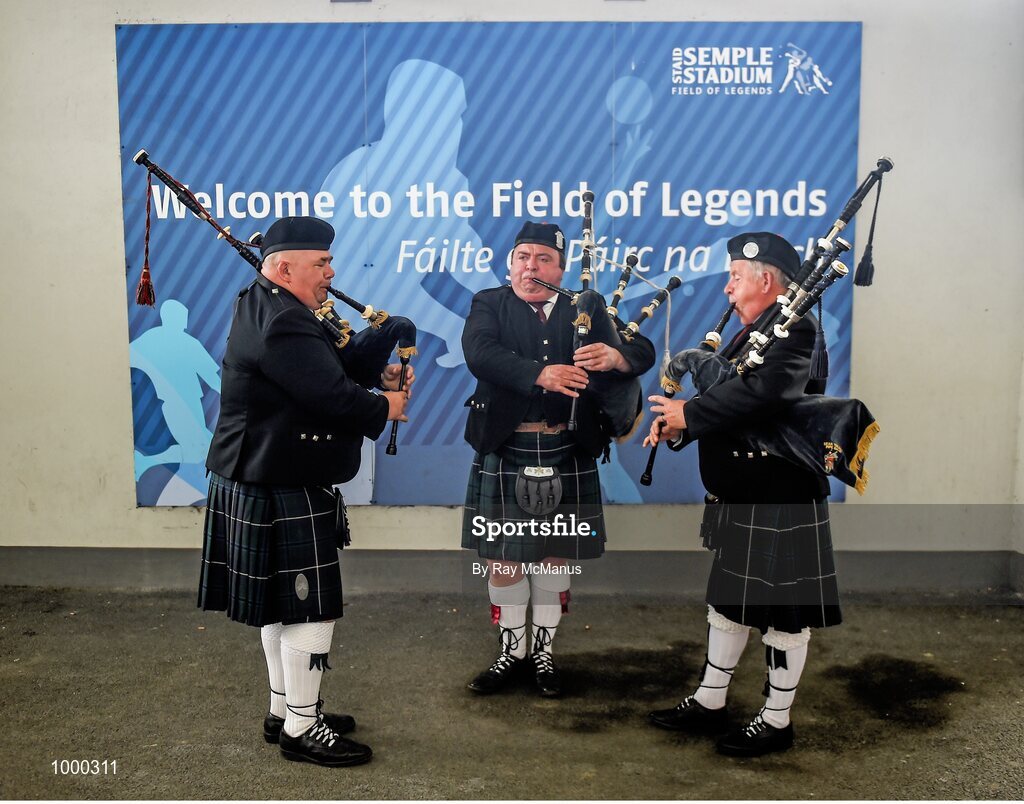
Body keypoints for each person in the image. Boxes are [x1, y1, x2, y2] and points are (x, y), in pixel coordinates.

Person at [197, 216, 412, 768]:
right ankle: (301, 727)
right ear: (284, 266)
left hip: (264, 473)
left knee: (283, 606)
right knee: (309, 610)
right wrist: (384, 407)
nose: (331, 272)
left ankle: (287, 708)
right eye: (321, 264)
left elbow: (324, 367)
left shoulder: (269, 301)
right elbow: (330, 395)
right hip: (276, 477)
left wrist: (378, 376)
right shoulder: (283, 321)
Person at [644, 232, 841, 757]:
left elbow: (763, 396)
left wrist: (691, 414)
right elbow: (728, 395)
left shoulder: (797, 331)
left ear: (766, 280)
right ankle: (711, 700)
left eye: (735, 276)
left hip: (779, 494)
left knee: (783, 613)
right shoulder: (755, 332)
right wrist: (678, 426)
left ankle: (777, 720)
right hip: (745, 494)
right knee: (730, 602)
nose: (727, 287)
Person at [461, 221, 655, 697]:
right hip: (507, 448)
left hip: (568, 448)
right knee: (503, 559)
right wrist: (541, 374)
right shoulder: (490, 303)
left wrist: (617, 359)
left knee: (553, 558)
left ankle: (544, 653)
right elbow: (479, 354)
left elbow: (642, 351)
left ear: (561, 268)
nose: (532, 266)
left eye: (543, 259)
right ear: (509, 264)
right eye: (523, 257)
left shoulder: (582, 308)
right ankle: (513, 652)